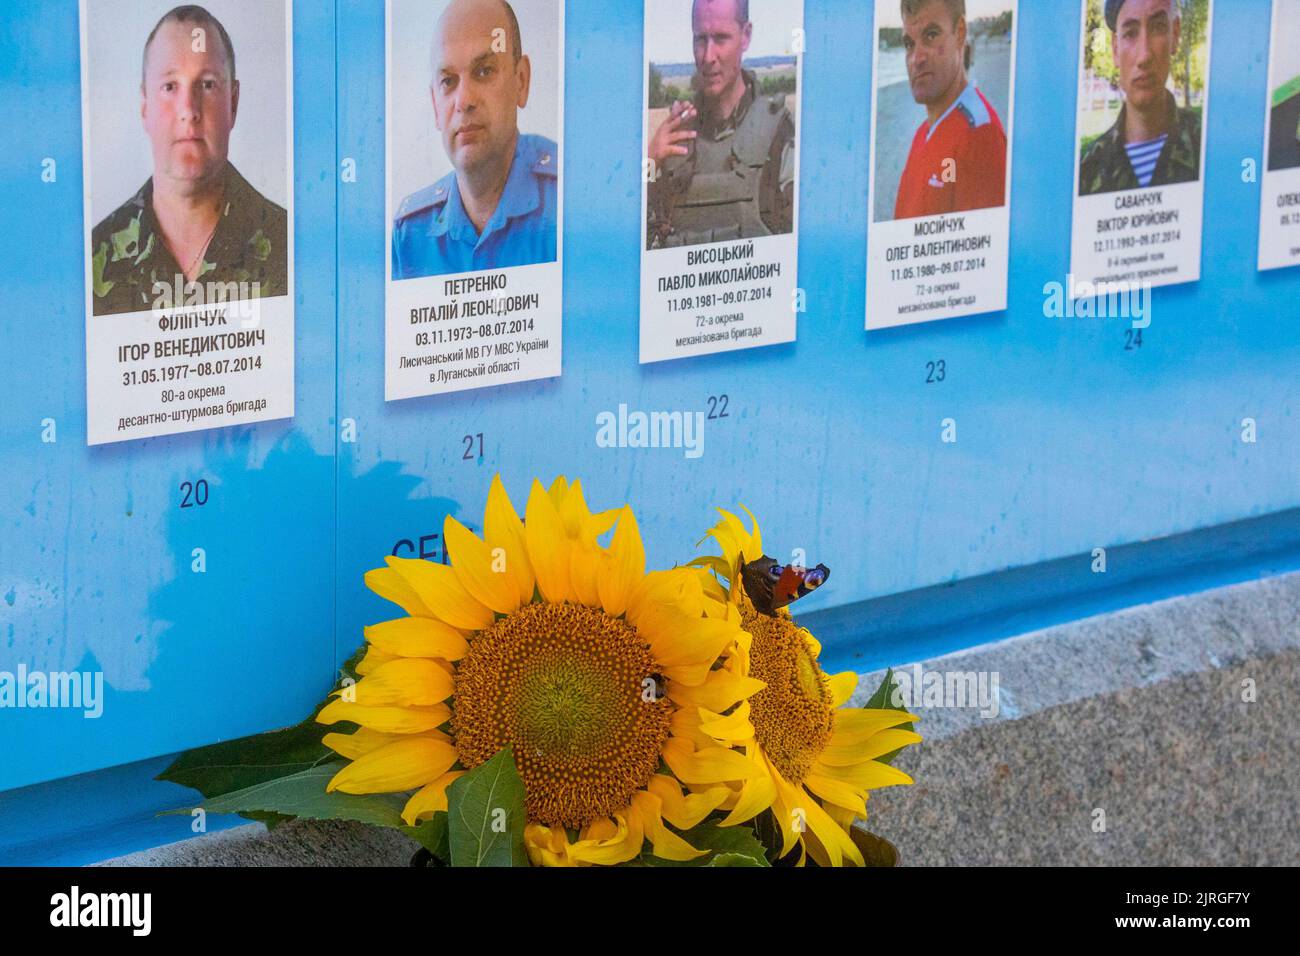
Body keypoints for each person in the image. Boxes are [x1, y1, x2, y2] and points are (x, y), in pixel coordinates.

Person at [91, 4, 287, 317]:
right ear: (145, 107)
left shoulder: (288, 248)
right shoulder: (93, 259)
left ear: (233, 103)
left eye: (207, 84)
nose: (189, 109)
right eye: (170, 87)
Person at [392, 0, 557, 280]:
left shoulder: (569, 199)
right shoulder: (410, 236)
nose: (464, 100)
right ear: (435, 105)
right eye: (448, 81)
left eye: (484, 71)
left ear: (521, 81)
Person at [646, 0, 796, 249]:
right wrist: (649, 161)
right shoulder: (674, 135)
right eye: (700, 39)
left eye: (721, 38)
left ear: (745, 36)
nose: (708, 56)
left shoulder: (777, 131)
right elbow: (636, 238)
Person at [893, 0, 1007, 220]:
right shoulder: (923, 133)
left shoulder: (980, 136)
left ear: (960, 33)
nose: (917, 59)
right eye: (909, 44)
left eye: (931, 35)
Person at [1079, 0, 1201, 196]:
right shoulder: (1086, 171)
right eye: (1130, 33)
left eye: (1158, 27)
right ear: (1115, 49)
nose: (1144, 56)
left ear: (1175, 34)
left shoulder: (1208, 145)